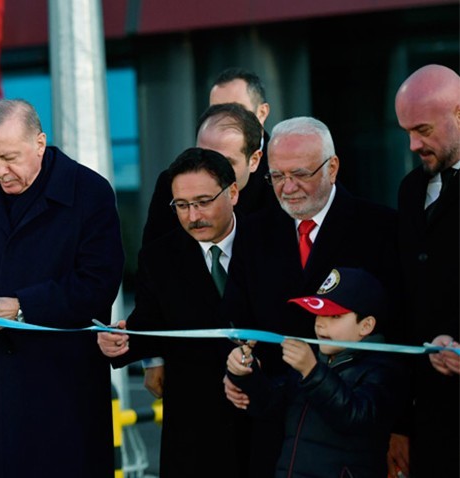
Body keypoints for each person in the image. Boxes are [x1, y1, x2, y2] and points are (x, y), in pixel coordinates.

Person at [0, 99, 124, 477]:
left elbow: (98, 285)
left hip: (62, 389)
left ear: (40, 142)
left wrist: (22, 307)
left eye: (8, 157)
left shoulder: (90, 192)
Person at [222, 117, 400, 477]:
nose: (288, 188)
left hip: (357, 433)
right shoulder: (252, 231)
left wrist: (403, 426)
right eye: (276, 176)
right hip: (275, 430)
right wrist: (240, 372)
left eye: (300, 174)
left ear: (332, 167)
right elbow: (239, 320)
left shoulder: (381, 228)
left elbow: (402, 329)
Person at [98, 148, 249, 477]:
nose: (193, 216)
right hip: (193, 423)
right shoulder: (160, 257)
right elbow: (148, 325)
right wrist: (119, 342)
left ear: (233, 193)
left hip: (262, 418)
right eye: (182, 206)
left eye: (203, 202)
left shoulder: (270, 242)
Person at [227, 267, 407, 478]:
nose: (321, 323)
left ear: (366, 325)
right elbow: (269, 405)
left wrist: (312, 372)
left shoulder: (383, 369)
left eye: (335, 316)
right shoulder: (313, 361)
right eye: (318, 314)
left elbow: (356, 417)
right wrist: (245, 371)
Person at [141, 102, 265, 398]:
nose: (211, 170)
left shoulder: (277, 193)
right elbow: (152, 271)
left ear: (254, 160)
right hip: (192, 370)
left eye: (224, 161)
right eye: (184, 205)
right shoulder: (173, 185)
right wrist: (151, 356)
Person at [394, 63, 460, 477]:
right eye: (406, 133)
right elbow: (405, 302)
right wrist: (400, 425)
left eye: (423, 130)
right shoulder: (410, 189)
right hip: (428, 419)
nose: (414, 144)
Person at [143, 67, 275, 245]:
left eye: (236, 108)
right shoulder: (172, 183)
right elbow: (155, 257)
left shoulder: (283, 175)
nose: (224, 117)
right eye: (216, 110)